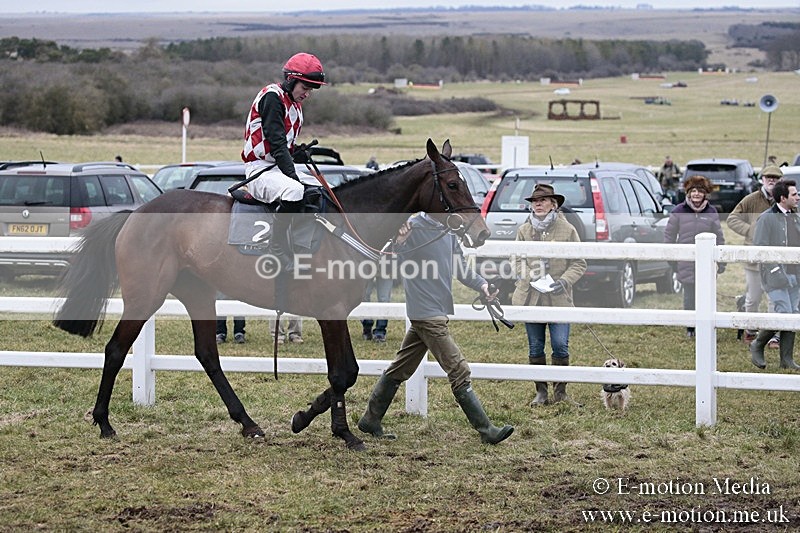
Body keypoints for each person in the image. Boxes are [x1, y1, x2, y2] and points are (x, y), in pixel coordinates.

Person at [357, 213, 514, 444]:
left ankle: (370, 419)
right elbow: (396, 267)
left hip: (436, 310)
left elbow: (460, 268)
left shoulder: (447, 228)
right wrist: (401, 243)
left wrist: (483, 285)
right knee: (459, 369)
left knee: (400, 368)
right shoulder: (414, 227)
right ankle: (486, 430)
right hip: (426, 312)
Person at [241, 52, 326, 272]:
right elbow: (277, 145)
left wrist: (299, 152)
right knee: (295, 190)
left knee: (324, 190)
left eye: (311, 90)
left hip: (275, 167)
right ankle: (277, 250)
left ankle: (305, 245)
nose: (307, 94)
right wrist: (293, 173)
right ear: (291, 80)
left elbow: (284, 146)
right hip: (259, 170)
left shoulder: (295, 105)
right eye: (305, 88)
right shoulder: (272, 97)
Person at [510, 183, 587, 406]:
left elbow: (579, 262)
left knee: (560, 344)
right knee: (535, 346)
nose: (538, 204)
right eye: (535, 201)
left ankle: (560, 392)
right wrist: (531, 276)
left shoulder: (568, 229)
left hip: (559, 297)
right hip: (531, 297)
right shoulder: (524, 230)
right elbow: (515, 259)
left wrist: (564, 281)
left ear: (553, 204)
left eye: (543, 200)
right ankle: (541, 392)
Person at [663, 175, 725, 338]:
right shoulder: (678, 211)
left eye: (700, 191)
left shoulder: (711, 212)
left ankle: (707, 327)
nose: (696, 194)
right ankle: (690, 328)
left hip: (707, 263)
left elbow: (719, 236)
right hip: (686, 262)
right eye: (694, 191)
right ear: (688, 193)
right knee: (690, 296)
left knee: (707, 297)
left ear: (705, 194)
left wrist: (721, 260)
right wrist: (672, 260)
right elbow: (669, 236)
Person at [727, 165, 783, 344]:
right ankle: (750, 331)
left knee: (775, 298)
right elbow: (732, 219)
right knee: (753, 298)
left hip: (778, 259)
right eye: (768, 177)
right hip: (754, 259)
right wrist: (750, 230)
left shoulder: (784, 200)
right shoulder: (751, 200)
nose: (772, 180)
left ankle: (773, 335)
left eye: (775, 177)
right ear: (762, 179)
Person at [750, 179, 800, 371]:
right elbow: (760, 249)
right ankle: (758, 344)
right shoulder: (766, 218)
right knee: (784, 312)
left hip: (796, 276)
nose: (798, 197)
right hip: (775, 276)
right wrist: (777, 272)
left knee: (793, 315)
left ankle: (786, 359)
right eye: (794, 194)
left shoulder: (795, 217)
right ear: (783, 197)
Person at [361, 273, 392, 342]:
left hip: (387, 266)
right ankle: (367, 326)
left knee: (384, 299)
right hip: (367, 265)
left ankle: (380, 331)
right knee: (364, 296)